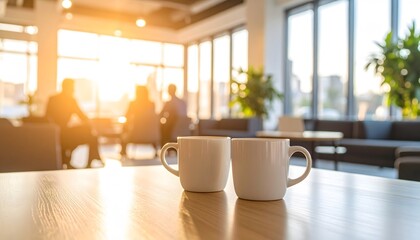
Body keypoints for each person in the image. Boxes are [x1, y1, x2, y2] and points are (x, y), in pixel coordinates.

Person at [45, 78, 103, 169]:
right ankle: (92, 159)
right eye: (72, 87)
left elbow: (82, 116)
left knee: (89, 133)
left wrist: (88, 124)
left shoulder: (65, 100)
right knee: (91, 135)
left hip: (61, 132)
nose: (73, 90)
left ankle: (71, 159)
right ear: (66, 87)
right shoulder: (67, 100)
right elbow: (47, 118)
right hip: (58, 133)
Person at [120, 85, 156, 156]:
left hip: (135, 134)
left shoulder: (133, 104)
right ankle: (155, 148)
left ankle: (123, 150)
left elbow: (126, 115)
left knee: (124, 129)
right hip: (150, 134)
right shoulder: (151, 104)